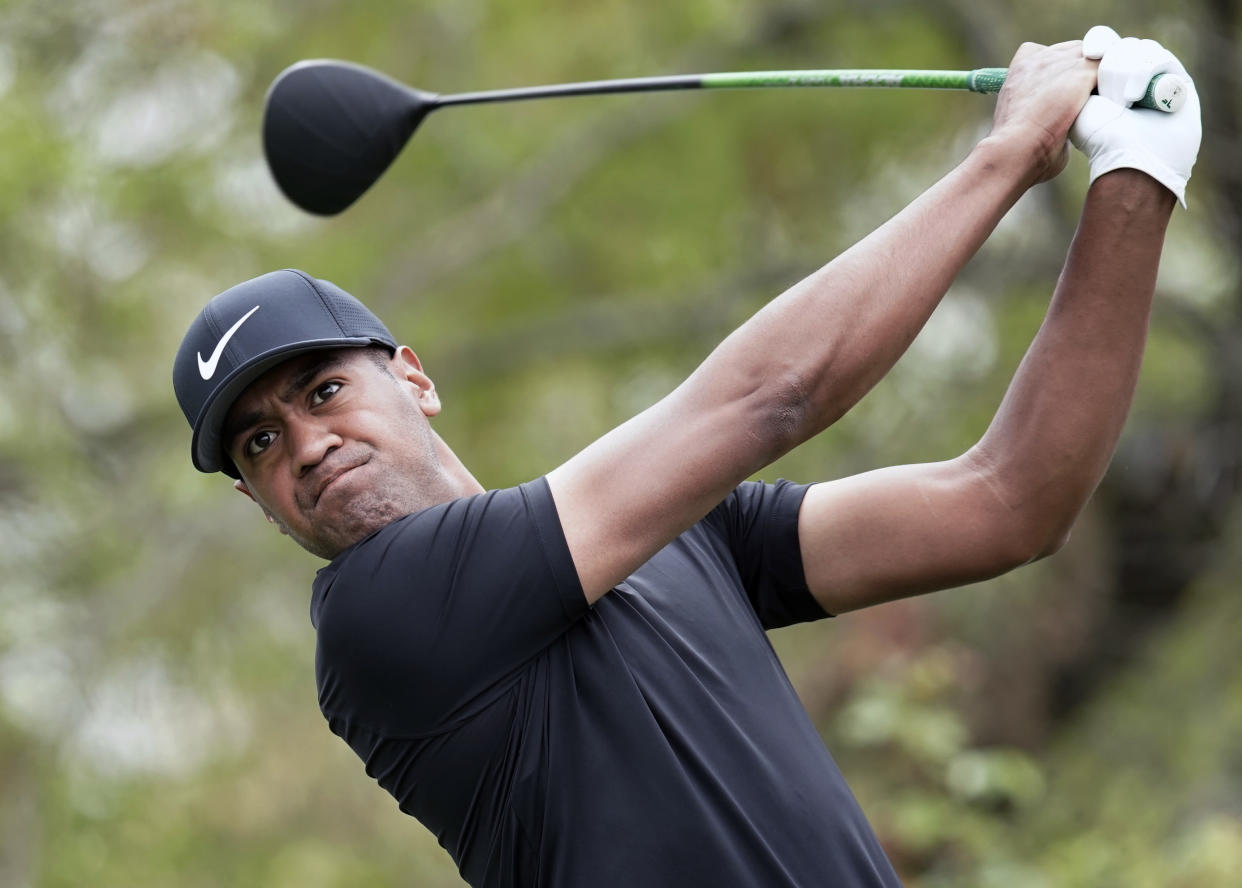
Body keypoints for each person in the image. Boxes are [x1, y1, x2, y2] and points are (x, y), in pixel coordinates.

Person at [173, 29, 1199, 888]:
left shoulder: (679, 532)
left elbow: (1008, 502)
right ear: (259, 502)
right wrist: (1009, 153)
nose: (308, 446)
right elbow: (770, 397)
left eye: (323, 392)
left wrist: (1136, 178)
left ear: (416, 379)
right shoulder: (377, 617)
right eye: (261, 443)